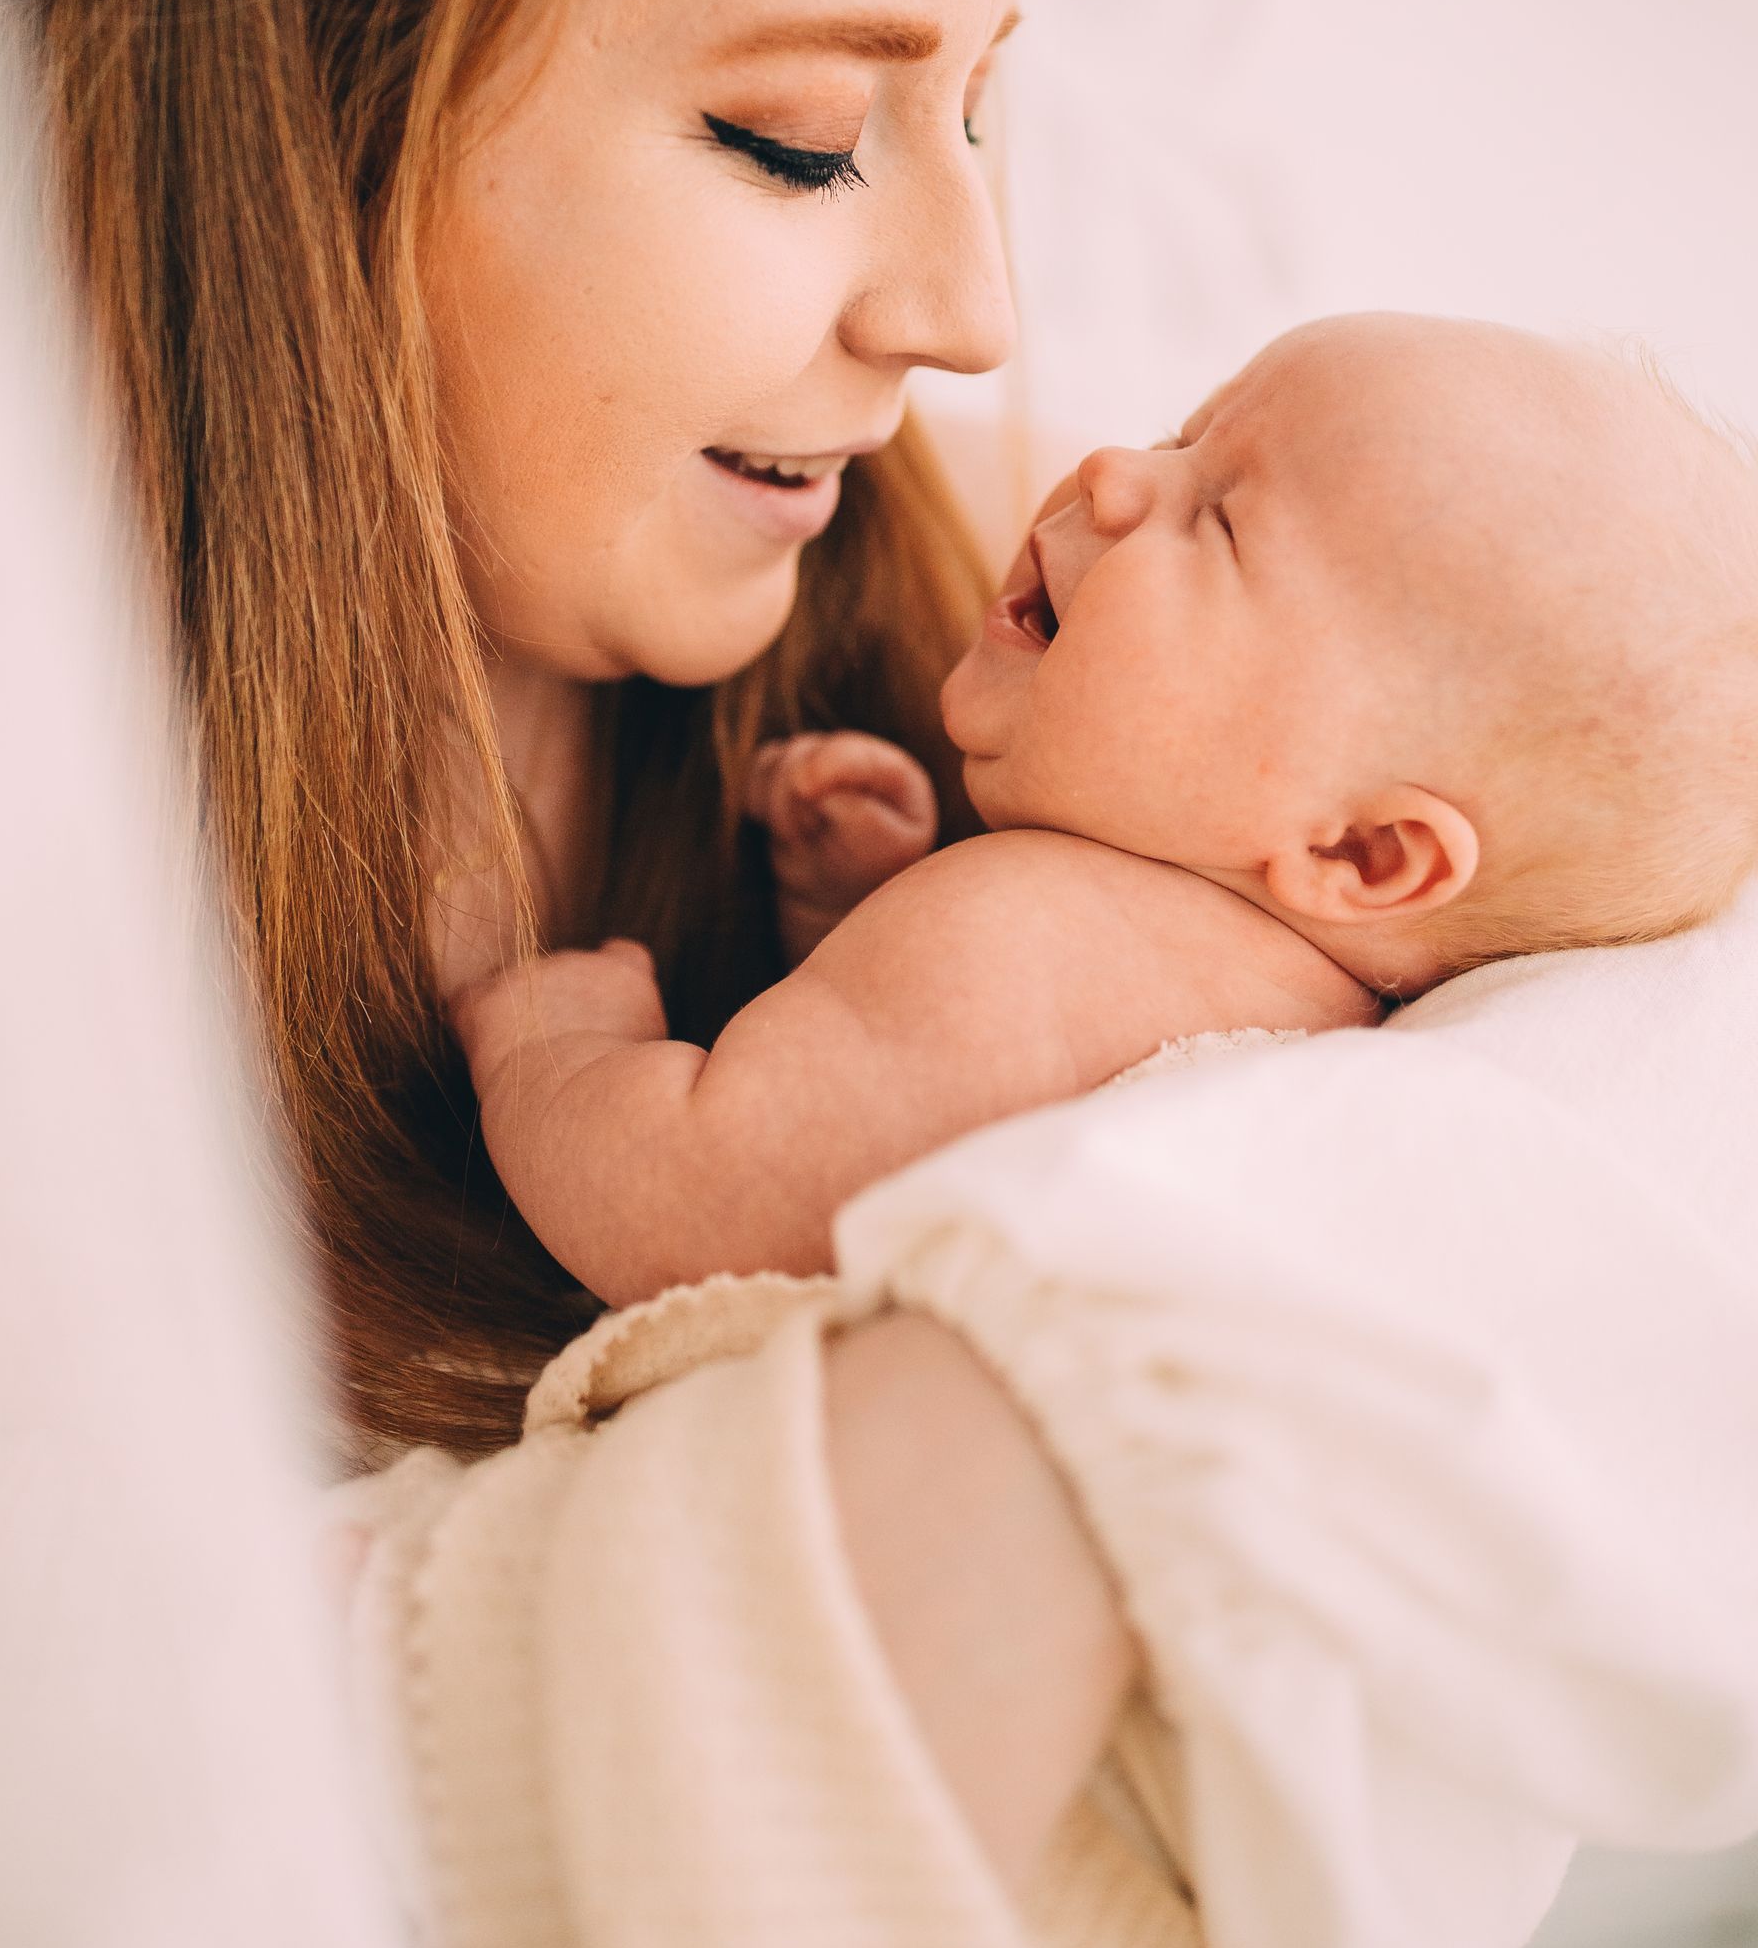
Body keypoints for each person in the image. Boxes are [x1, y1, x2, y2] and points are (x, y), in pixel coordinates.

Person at [0, 0, 1758, 1948]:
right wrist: (999, 1482)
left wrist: (1019, 1432)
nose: (968, 310)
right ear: (292, 107)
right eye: (803, 137)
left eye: (983, 108)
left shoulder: (1001, 672)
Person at [463, 312, 1758, 1301]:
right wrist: (866, 910)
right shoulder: (1257, 998)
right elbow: (905, 1119)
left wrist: (555, 1055)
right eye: (1181, 435)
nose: (1115, 472)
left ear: (1363, 852)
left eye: (1222, 525)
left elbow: (697, 1206)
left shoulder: (1030, 938)